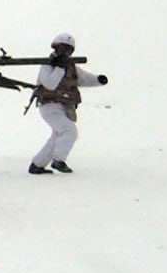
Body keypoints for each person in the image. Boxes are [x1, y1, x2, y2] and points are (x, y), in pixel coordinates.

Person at [28, 33, 108, 174]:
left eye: (68, 50)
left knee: (58, 135)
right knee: (69, 131)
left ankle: (37, 165)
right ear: (56, 48)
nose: (65, 52)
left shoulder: (71, 68)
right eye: (62, 48)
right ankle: (59, 160)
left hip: (65, 106)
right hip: (49, 105)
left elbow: (83, 78)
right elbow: (50, 84)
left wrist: (98, 80)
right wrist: (59, 68)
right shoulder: (47, 66)